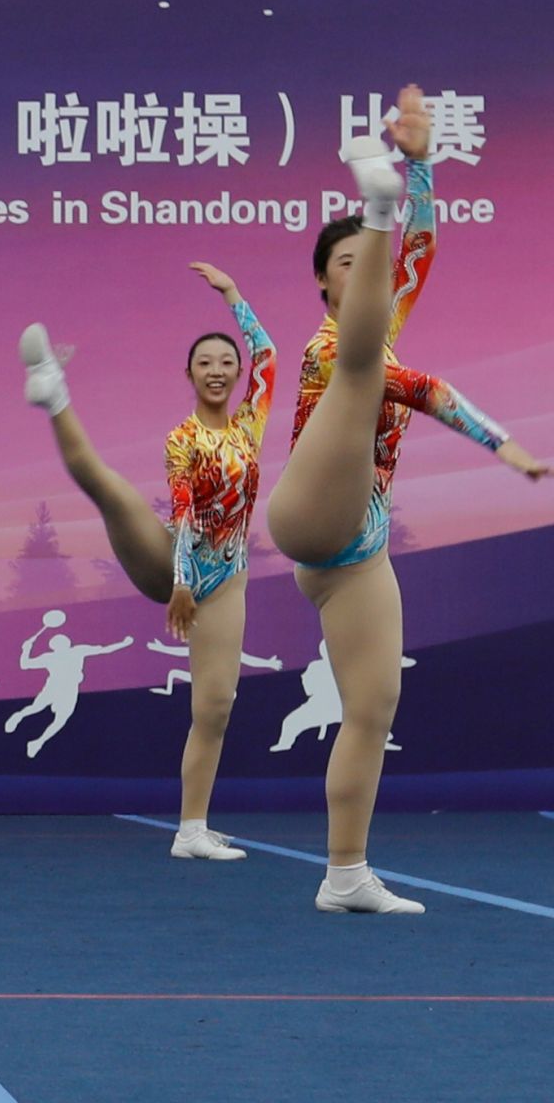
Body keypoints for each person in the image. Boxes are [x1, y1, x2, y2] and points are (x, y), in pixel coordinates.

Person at [262, 85, 544, 912]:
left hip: (358, 547)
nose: (367, 275)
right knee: (363, 367)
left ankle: (345, 875)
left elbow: (418, 258)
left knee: (374, 707)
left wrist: (421, 166)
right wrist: (501, 442)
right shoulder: (327, 348)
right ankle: (375, 201)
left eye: (373, 259)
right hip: (308, 510)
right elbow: (416, 384)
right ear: (323, 283)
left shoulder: (381, 322)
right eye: (348, 264)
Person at [18, 259, 276, 859]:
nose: (218, 369)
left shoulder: (250, 426)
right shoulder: (183, 439)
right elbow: (183, 511)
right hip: (172, 563)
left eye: (226, 361)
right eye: (205, 362)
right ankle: (53, 391)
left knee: (214, 707)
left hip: (226, 581)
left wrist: (234, 294)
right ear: (189, 374)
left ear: (237, 373)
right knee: (108, 489)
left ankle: (192, 830)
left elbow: (267, 355)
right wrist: (181, 583)